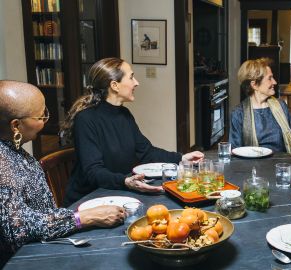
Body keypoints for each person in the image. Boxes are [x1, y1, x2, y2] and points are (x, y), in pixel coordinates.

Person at [0, 80, 125, 266]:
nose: (46, 120)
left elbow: (42, 212)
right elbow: (19, 228)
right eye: (41, 117)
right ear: (15, 126)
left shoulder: (14, 150)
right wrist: (83, 217)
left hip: (44, 244)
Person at [61, 58, 203, 206]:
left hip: (116, 193)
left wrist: (182, 158)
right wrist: (125, 181)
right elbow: (93, 172)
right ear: (114, 85)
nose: (136, 82)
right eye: (131, 77)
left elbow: (147, 152)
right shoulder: (85, 119)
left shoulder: (124, 114)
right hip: (88, 201)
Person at [229, 58, 291, 158]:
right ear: (254, 84)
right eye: (270, 78)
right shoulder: (239, 113)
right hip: (253, 168)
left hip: (282, 165)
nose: (275, 82)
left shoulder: (281, 106)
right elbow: (235, 150)